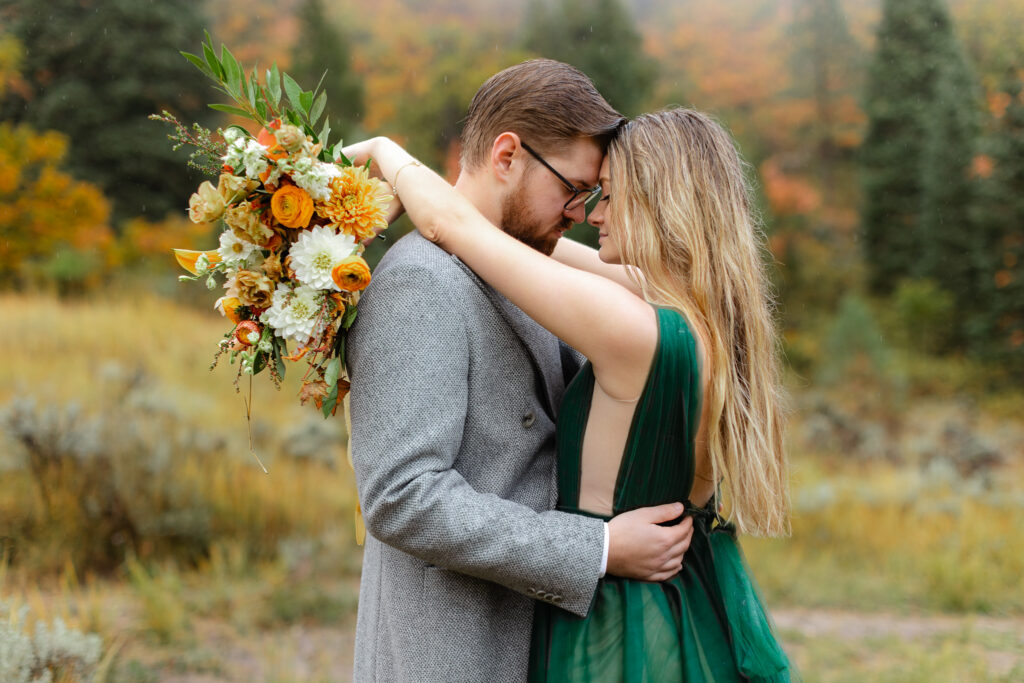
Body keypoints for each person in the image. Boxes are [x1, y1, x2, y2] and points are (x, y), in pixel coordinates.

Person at [346, 107, 795, 681]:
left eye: (606, 194)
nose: (593, 214)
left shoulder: (629, 325)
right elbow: (518, 241)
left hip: (615, 622)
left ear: (660, 204)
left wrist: (389, 152)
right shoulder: (697, 307)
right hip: (683, 601)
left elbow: (460, 229)